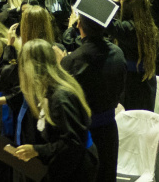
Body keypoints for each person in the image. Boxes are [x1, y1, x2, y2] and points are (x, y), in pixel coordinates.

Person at [11, 39, 99, 182]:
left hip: (77, 168)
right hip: (68, 162)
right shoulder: (48, 89)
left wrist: (36, 150)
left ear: (30, 67)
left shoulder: (60, 98)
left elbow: (73, 144)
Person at [61, 0, 126, 182]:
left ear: (78, 25)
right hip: (109, 131)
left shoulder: (71, 61)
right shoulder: (118, 53)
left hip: (83, 136)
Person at [107, 0, 159, 111]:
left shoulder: (128, 28)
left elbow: (103, 19)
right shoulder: (149, 26)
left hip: (130, 84)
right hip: (147, 81)